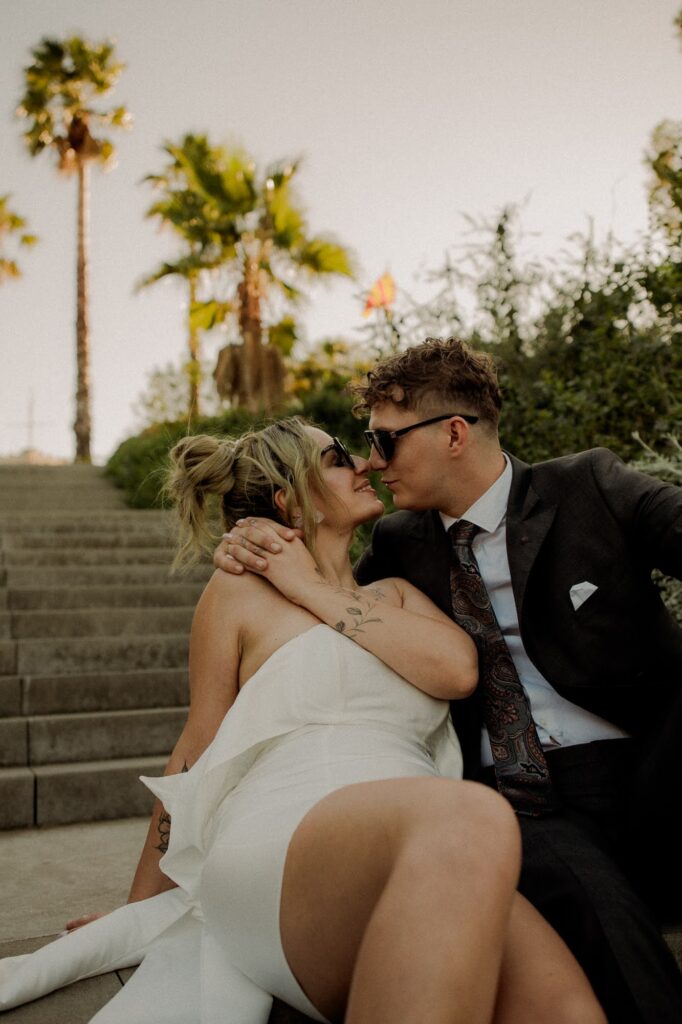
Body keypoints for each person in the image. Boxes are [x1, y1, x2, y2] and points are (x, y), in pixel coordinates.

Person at [0, 417, 605, 1024]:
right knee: (472, 813)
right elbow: (195, 749)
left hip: (425, 838)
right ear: (291, 499)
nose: (365, 464)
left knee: (566, 1008)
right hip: (283, 839)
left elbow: (457, 672)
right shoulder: (239, 594)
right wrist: (139, 910)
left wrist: (310, 586)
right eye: (338, 457)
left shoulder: (395, 595)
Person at [215, 339, 682, 1024]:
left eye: (384, 440)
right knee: (586, 892)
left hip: (648, 766)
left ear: (454, 434)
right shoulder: (399, 545)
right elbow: (332, 622)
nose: (372, 462)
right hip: (518, 796)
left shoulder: (589, 486)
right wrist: (252, 543)